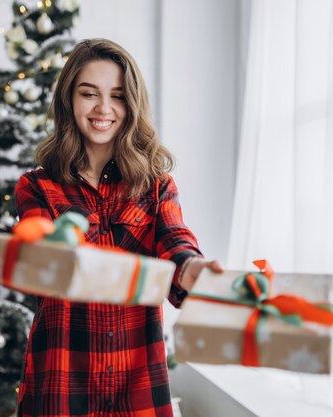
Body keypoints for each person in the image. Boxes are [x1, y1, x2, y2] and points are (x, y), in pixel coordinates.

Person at [14, 38, 223, 417]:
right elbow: (36, 252)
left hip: (137, 384)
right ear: (68, 101)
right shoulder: (38, 187)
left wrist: (194, 269)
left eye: (118, 96)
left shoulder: (157, 187)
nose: (103, 109)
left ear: (133, 103)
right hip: (61, 381)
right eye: (89, 94)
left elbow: (174, 242)